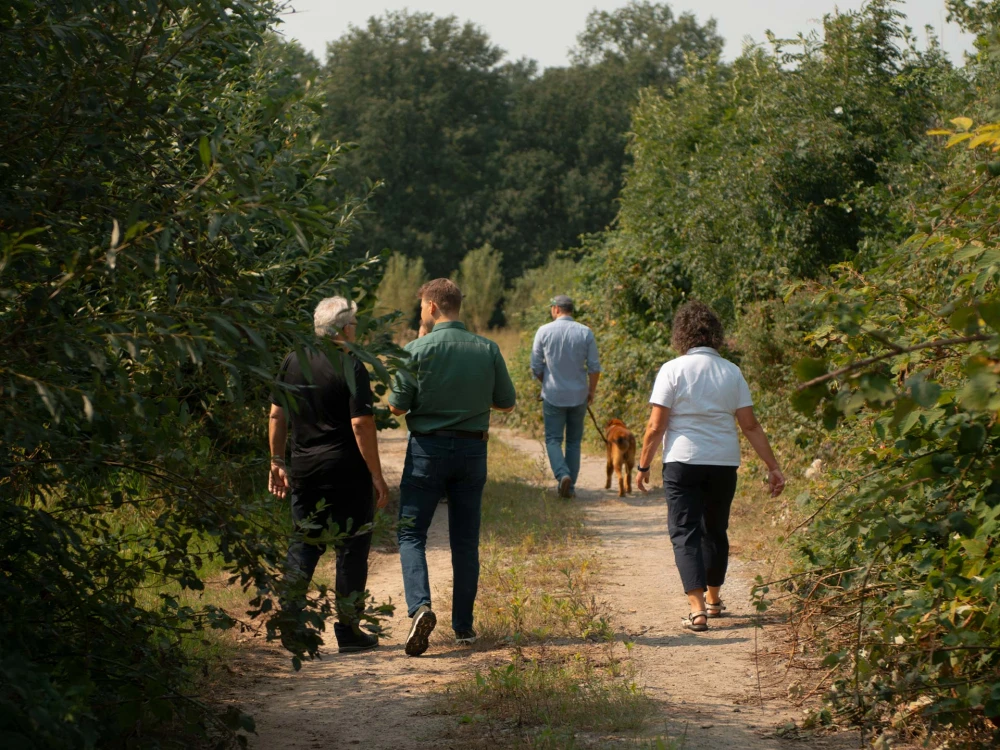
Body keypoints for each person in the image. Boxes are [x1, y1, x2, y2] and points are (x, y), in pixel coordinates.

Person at [636, 301, 785, 632]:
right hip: (722, 462)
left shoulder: (672, 369)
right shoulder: (731, 371)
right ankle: (714, 600)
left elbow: (656, 426)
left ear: (681, 334)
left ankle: (697, 609)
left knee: (685, 532)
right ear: (715, 334)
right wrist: (773, 466)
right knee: (715, 529)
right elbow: (750, 425)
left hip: (682, 462)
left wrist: (643, 465)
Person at [388, 278, 517, 656]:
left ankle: (420, 607)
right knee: (465, 540)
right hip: (472, 451)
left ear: (431, 307)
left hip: (427, 450)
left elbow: (396, 406)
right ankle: (463, 627)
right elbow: (506, 403)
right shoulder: (487, 348)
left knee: (412, 534)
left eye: (421, 308)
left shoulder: (415, 350)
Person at [268, 296, 390, 653]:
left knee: (304, 544)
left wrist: (276, 461)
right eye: (354, 324)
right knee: (351, 548)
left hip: (305, 470)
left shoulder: (293, 360)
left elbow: (276, 415)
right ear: (344, 329)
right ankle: (348, 632)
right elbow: (361, 424)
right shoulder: (351, 365)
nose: (356, 331)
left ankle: (291, 625)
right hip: (347, 472)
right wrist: (377, 475)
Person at [530, 294, 601, 498]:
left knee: (553, 439)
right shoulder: (585, 332)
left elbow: (535, 366)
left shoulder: (543, 331)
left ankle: (562, 475)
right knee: (573, 442)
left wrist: (546, 382)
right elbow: (594, 367)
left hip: (553, 394)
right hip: (579, 395)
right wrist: (591, 391)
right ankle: (570, 488)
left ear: (556, 309)